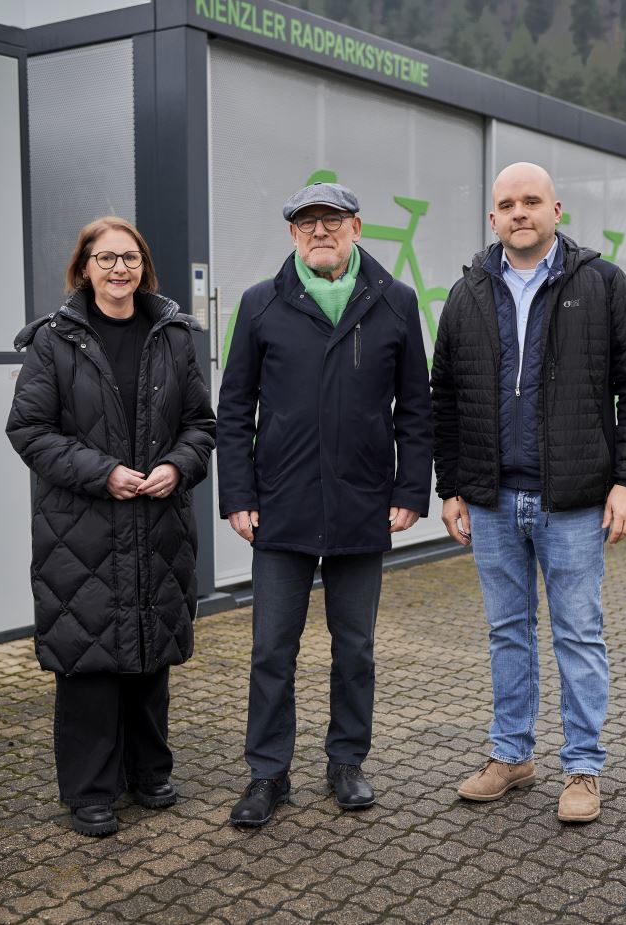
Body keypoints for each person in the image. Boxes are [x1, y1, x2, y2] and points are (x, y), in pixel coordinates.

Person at [430, 163, 626, 824]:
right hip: (493, 500)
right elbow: (444, 395)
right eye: (507, 203)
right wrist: (452, 487)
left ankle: (583, 766)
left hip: (576, 499)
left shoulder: (602, 283)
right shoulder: (468, 293)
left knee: (579, 635)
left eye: (531, 201)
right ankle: (512, 756)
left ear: (556, 209)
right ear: (493, 218)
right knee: (507, 632)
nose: (519, 212)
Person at [217, 181, 432, 827]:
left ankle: (346, 762)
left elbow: (416, 408)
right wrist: (237, 495)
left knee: (355, 646)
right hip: (279, 508)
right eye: (306, 222)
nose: (319, 232)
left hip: (361, 505)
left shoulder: (393, 302)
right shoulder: (261, 305)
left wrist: (409, 491)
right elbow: (232, 411)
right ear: (291, 234)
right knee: (271, 648)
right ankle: (267, 773)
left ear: (357, 229)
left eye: (331, 221)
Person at [6, 216, 215, 836]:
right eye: (106, 259)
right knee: (88, 660)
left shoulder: (173, 336)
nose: (119, 269)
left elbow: (201, 425)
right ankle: (91, 789)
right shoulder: (54, 340)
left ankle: (148, 771)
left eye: (130, 258)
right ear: (84, 268)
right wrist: (103, 473)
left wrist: (178, 467)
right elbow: (29, 430)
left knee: (151, 654)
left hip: (158, 522)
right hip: (83, 526)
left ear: (144, 267)